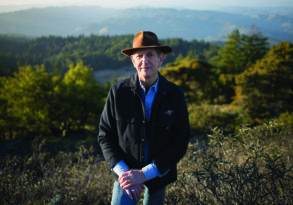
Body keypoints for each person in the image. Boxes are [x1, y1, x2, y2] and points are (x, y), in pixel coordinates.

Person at [98, 31, 190, 205]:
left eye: (150, 55)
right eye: (139, 55)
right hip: (124, 175)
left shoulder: (174, 94)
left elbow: (180, 141)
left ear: (161, 58)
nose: (144, 60)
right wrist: (125, 174)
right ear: (133, 61)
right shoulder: (118, 92)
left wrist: (144, 174)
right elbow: (105, 135)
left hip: (158, 174)